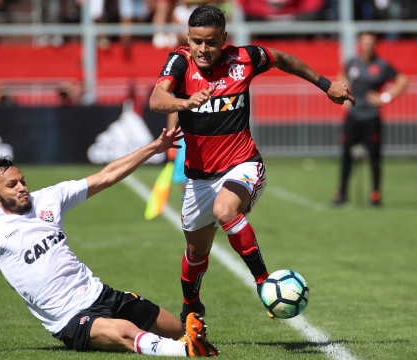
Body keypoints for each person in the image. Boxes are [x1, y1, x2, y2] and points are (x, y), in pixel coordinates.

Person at [0, 128, 219, 357]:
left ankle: (191, 344)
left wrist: (154, 147)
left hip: (101, 293)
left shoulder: (50, 198)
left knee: (180, 329)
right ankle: (189, 354)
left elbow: (107, 176)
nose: (22, 188)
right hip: (70, 319)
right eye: (12, 185)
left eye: (22, 180)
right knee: (128, 333)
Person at [149, 5, 354, 322]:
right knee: (196, 252)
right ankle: (192, 305)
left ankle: (264, 282)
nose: (204, 49)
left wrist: (326, 85)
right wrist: (184, 102)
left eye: (211, 42)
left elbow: (283, 59)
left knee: (225, 210)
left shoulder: (244, 59)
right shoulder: (179, 61)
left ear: (224, 38)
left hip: (242, 164)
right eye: (197, 41)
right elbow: (156, 98)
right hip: (198, 177)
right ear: (187, 38)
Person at [334, 32, 408, 207]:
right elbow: (341, 75)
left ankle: (375, 195)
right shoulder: (353, 62)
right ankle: (341, 194)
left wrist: (385, 98)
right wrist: (344, 97)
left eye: (371, 43)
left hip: (371, 117)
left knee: (374, 156)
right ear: (360, 44)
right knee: (346, 155)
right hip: (352, 116)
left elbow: (403, 81)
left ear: (375, 45)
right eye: (364, 43)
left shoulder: (382, 65)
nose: (367, 46)